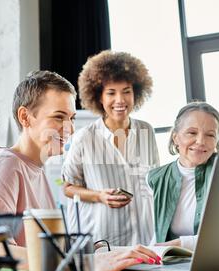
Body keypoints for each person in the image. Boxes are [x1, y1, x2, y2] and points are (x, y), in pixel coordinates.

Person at [0, 70, 159, 271]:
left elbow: (49, 251)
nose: (70, 129)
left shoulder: (36, 168)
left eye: (71, 118)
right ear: (25, 117)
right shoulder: (3, 167)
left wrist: (100, 252)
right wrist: (84, 264)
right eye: (59, 117)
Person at [62, 51, 160, 246]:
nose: (120, 100)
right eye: (111, 93)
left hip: (146, 237)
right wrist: (99, 196)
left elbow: (154, 181)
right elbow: (67, 187)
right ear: (99, 96)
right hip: (104, 239)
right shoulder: (84, 138)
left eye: (126, 91)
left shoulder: (146, 130)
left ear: (136, 93)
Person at [147, 101, 219, 251]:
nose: (201, 141)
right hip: (174, 263)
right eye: (192, 133)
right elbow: (156, 234)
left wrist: (183, 243)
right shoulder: (155, 178)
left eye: (210, 135)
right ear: (175, 137)